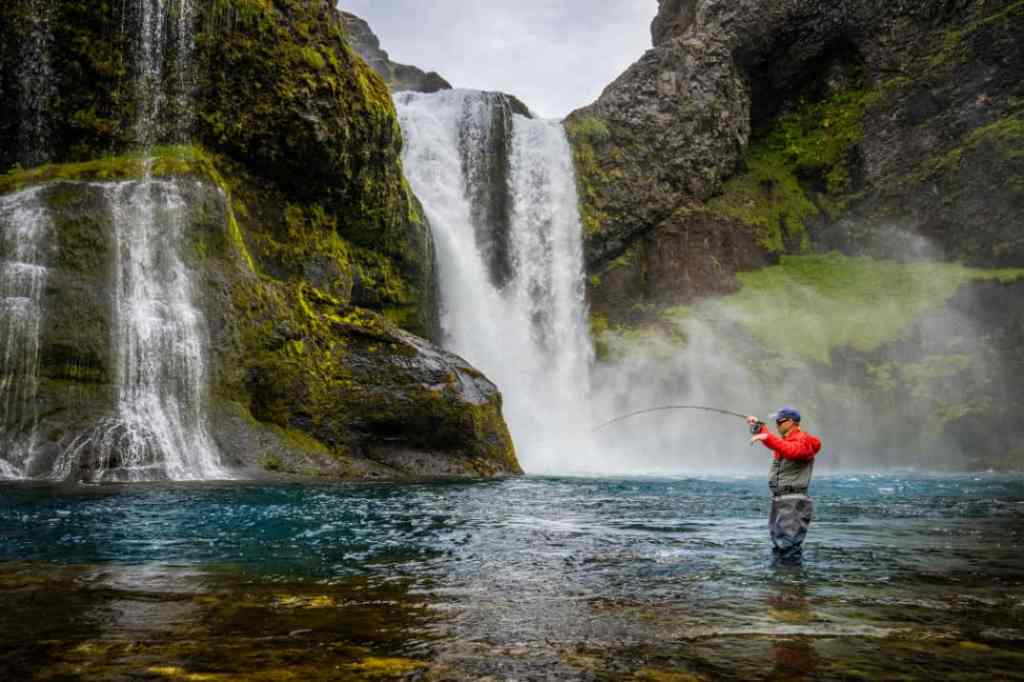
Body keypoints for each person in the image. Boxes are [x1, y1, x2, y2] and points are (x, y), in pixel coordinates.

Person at [746, 408, 822, 562]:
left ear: (791, 422)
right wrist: (759, 427)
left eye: (779, 421)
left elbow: (792, 451)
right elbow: (779, 445)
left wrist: (767, 437)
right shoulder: (788, 440)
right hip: (782, 500)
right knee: (780, 546)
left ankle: (790, 577)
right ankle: (782, 576)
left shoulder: (803, 440)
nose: (777, 424)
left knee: (788, 548)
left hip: (793, 501)